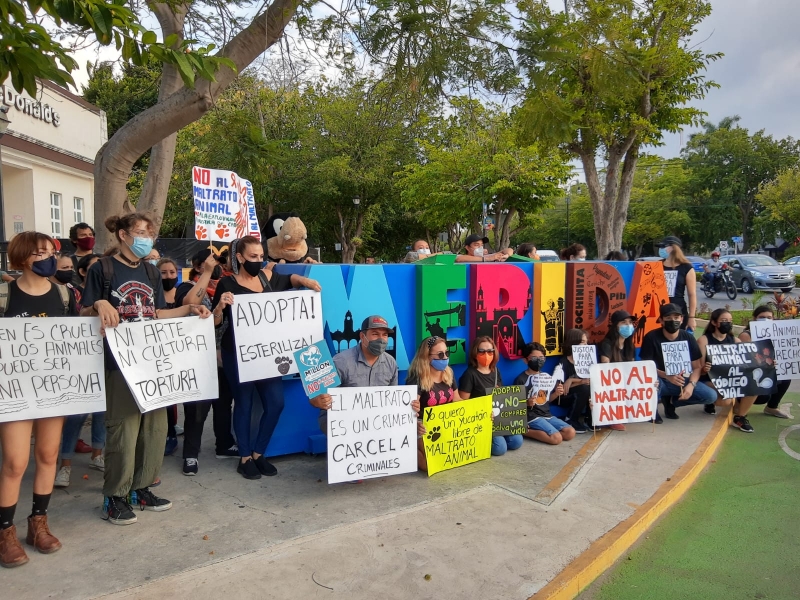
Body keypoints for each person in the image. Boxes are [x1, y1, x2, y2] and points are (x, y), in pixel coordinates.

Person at [81, 213, 212, 525]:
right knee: (123, 431)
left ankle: (141, 488)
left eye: (149, 234)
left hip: (150, 363)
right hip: (118, 363)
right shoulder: (103, 268)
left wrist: (189, 309)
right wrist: (99, 304)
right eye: (140, 232)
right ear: (123, 235)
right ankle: (114, 497)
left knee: (155, 429)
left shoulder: (151, 272)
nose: (146, 239)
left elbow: (157, 314)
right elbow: (84, 311)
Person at [212, 236, 321, 480]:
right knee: (244, 403)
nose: (258, 260)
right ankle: (245, 458)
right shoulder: (227, 284)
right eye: (253, 256)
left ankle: (259, 452)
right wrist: (219, 307)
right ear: (240, 258)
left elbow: (291, 280)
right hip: (237, 354)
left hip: (268, 355)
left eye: (261, 256)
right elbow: (215, 322)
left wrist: (306, 281)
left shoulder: (267, 277)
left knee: (275, 403)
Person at [0, 231, 77, 567]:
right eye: (39, 253)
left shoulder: (63, 295)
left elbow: (76, 337)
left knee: (48, 455)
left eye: (50, 252)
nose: (48, 258)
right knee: (15, 463)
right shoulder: (5, 294)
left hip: (52, 389)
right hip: (15, 392)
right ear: (21, 258)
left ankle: (38, 523)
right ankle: (5, 531)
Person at [174, 250, 238, 475]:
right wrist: (207, 273)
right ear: (197, 266)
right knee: (196, 410)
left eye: (219, 263)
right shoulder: (186, 287)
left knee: (223, 404)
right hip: (197, 360)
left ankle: (224, 444)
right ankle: (191, 454)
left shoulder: (225, 286)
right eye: (211, 262)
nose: (217, 266)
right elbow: (190, 303)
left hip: (221, 358)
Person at [639, 303, 728, 419]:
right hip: (660, 380)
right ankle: (652, 410)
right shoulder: (651, 337)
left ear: (681, 319)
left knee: (710, 396)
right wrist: (666, 375)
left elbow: (697, 367)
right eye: (668, 318)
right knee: (651, 384)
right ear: (661, 320)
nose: (673, 321)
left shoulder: (688, 337)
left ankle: (672, 402)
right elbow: (646, 367)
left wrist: (691, 385)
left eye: (676, 317)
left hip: (681, 380)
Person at [458, 336, 522, 455]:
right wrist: (482, 411)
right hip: (481, 419)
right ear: (475, 353)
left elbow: (502, 398)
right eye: (481, 351)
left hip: (497, 417)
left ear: (494, 352)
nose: (486, 355)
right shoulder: (469, 374)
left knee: (516, 441)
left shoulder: (496, 371)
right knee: (499, 448)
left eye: (490, 351)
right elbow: (462, 403)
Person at [697, 309, 758, 432]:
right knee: (725, 402)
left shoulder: (735, 341)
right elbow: (699, 370)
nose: (728, 323)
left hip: (730, 380)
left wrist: (768, 363)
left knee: (755, 385)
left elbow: (748, 363)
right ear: (714, 322)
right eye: (724, 320)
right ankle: (710, 401)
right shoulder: (704, 340)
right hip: (709, 379)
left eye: (730, 321)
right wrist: (705, 369)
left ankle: (740, 417)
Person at [406, 336, 457, 471]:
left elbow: (458, 400)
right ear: (427, 356)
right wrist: (415, 425)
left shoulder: (449, 374)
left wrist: (482, 411)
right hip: (424, 427)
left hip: (446, 424)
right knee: (430, 465)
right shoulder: (416, 378)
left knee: (448, 459)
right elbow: (410, 410)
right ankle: (409, 449)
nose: (445, 357)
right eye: (440, 354)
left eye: (446, 353)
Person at [514, 342, 575, 445]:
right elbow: (515, 404)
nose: (538, 361)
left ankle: (547, 432)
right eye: (534, 358)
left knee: (570, 432)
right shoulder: (521, 379)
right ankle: (523, 431)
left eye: (541, 358)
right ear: (525, 360)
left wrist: (556, 393)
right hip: (531, 416)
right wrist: (527, 403)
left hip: (546, 414)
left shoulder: (546, 377)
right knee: (556, 439)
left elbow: (547, 399)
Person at [738, 305, 792, 419]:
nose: (765, 320)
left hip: (767, 369)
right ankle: (739, 405)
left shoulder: (775, 334)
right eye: (762, 317)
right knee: (763, 397)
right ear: (754, 318)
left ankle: (772, 407)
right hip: (749, 374)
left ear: (773, 319)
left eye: (769, 317)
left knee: (786, 376)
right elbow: (743, 360)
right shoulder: (746, 335)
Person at [157, 257, 182, 455]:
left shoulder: (183, 294)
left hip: (181, 351)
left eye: (172, 272)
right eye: (163, 273)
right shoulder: (153, 295)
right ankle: (167, 433)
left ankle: (173, 429)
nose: (168, 276)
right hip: (158, 353)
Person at [553, 328, 592, 432]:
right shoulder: (563, 362)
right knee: (584, 388)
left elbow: (590, 381)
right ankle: (571, 420)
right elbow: (560, 389)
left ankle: (590, 419)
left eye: (586, 342)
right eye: (582, 342)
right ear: (573, 343)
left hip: (583, 396)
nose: (586, 345)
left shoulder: (588, 361)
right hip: (564, 397)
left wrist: (572, 380)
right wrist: (579, 381)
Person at [657, 236, 697, 332]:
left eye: (663, 247)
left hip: (678, 311)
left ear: (673, 247)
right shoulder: (657, 265)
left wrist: (692, 317)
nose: (661, 250)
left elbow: (692, 294)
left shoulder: (686, 268)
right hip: (658, 310)